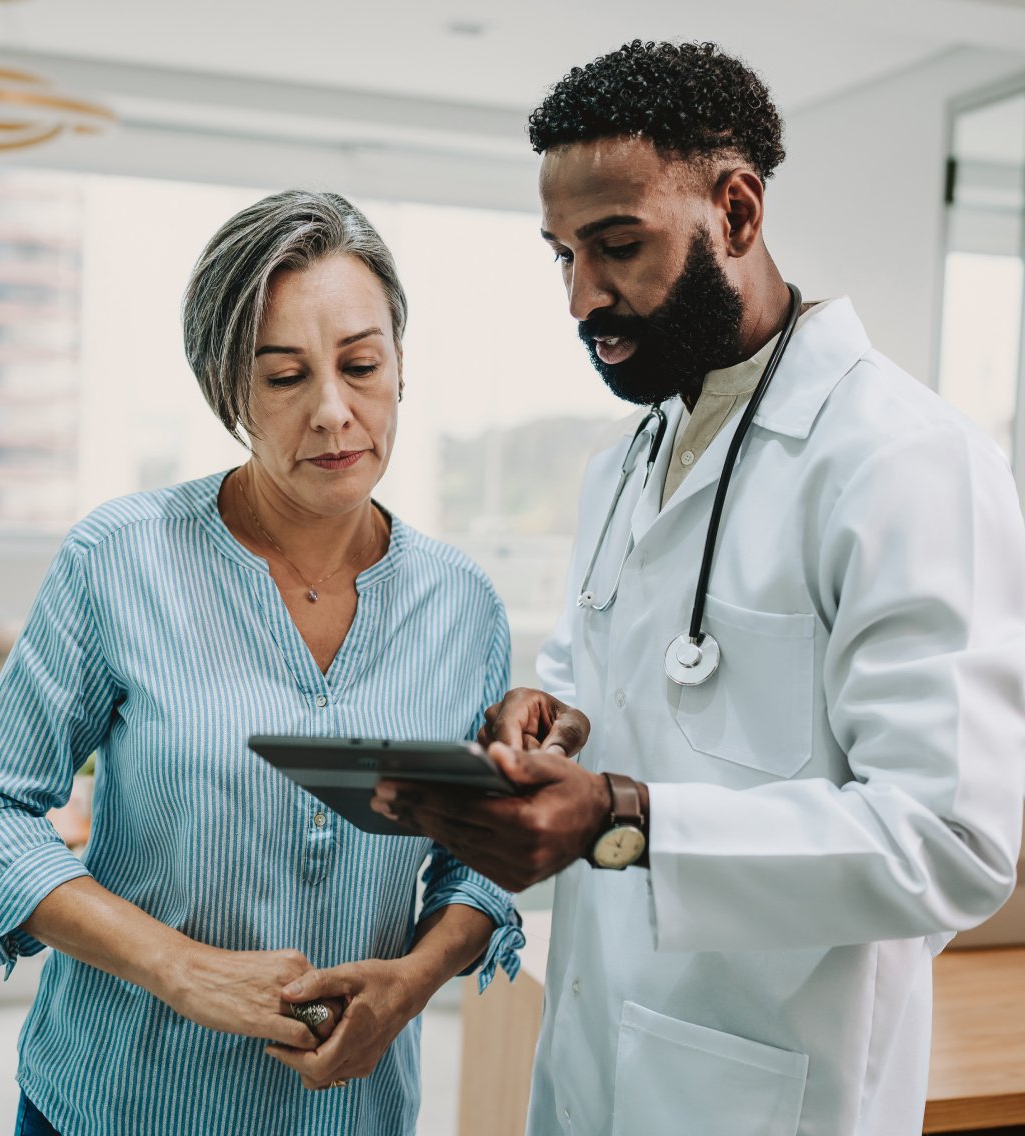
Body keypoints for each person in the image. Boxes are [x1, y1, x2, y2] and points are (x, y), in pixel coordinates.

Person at [363, 40, 1025, 1136]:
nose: (581, 295)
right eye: (561, 254)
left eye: (616, 245)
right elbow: (607, 683)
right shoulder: (626, 458)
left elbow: (949, 842)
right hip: (591, 1053)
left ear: (735, 210)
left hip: (776, 1083)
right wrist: (553, 718)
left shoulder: (903, 458)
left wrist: (623, 819)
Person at [0, 189, 522, 1136]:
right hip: (116, 1104)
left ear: (401, 368)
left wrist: (413, 982)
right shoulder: (120, 561)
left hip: (352, 1115)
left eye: (362, 365)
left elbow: (484, 857)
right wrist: (178, 965)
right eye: (284, 377)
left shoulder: (464, 607)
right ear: (227, 391)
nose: (335, 412)